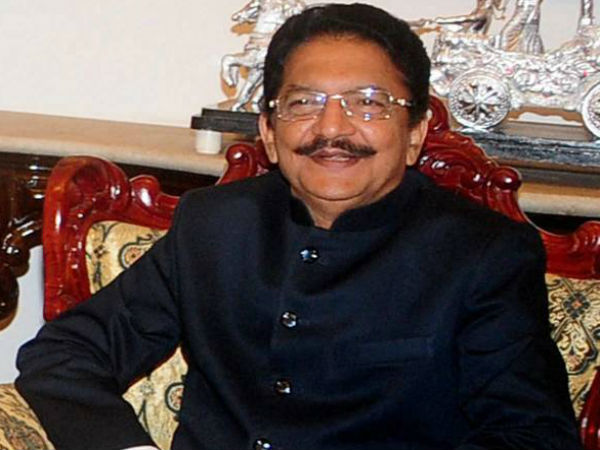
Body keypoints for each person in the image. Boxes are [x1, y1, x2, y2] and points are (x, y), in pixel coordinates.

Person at [16, 3, 582, 450]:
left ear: (414, 133)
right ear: (268, 131)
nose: (332, 129)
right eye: (304, 103)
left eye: (368, 103)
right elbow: (65, 354)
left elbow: (533, 434)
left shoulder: (483, 253)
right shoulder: (214, 226)